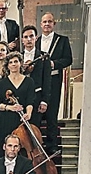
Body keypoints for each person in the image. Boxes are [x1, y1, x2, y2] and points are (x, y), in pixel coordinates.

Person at [35, 13, 73, 150]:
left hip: (54, 79)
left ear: (54, 24)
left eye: (49, 21)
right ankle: (37, 144)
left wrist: (53, 64)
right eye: (44, 21)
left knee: (52, 113)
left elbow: (68, 59)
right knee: (38, 113)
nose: (47, 24)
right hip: (39, 81)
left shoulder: (62, 40)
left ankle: (52, 145)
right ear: (40, 24)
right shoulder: (36, 40)